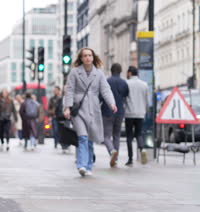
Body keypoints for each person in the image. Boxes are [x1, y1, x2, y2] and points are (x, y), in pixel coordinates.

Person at [63, 48, 117, 177]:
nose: (87, 58)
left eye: (90, 55)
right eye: (85, 56)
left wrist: (111, 103)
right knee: (82, 137)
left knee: (90, 138)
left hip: (93, 109)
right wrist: (67, 107)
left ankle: (88, 165)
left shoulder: (98, 74)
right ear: (81, 58)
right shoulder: (75, 73)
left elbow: (105, 90)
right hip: (78, 108)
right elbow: (69, 90)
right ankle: (81, 165)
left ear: (93, 58)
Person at [102, 63, 129, 167]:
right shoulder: (124, 82)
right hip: (120, 112)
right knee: (116, 135)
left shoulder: (106, 81)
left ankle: (111, 151)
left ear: (111, 70)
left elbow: (101, 96)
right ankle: (116, 158)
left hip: (107, 111)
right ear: (120, 71)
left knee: (106, 136)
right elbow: (126, 95)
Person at [124, 66, 149, 167]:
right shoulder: (144, 85)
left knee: (129, 136)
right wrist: (145, 111)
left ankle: (130, 159)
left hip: (129, 113)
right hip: (140, 113)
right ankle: (142, 148)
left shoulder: (126, 83)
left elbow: (124, 99)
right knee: (139, 134)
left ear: (130, 73)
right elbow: (147, 100)